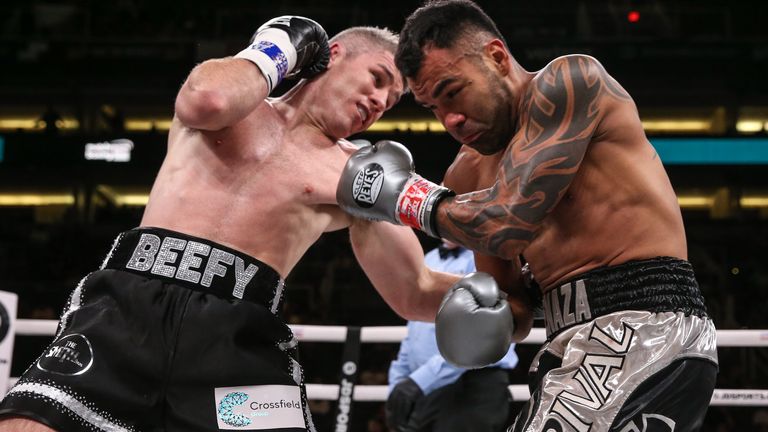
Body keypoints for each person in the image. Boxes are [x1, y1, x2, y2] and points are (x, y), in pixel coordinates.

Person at [0, 16, 460, 432]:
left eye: (393, 98)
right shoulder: (235, 102)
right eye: (377, 78)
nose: (380, 101)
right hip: (127, 310)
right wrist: (279, 49)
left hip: (238, 339)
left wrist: (522, 299)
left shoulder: (358, 174)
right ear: (334, 55)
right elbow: (208, 99)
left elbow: (412, 290)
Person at [336, 0, 719, 431]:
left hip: (645, 327)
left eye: (452, 92)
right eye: (433, 108)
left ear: (496, 57)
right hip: (565, 343)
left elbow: (507, 223)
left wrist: (408, 197)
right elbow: (512, 302)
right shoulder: (466, 172)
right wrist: (488, 321)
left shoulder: (571, 83)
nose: (451, 119)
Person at [386, 240, 518, 432]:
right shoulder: (428, 259)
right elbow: (415, 327)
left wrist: (419, 381)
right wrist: (399, 384)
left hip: (471, 387)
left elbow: (481, 335)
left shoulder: (489, 259)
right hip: (425, 388)